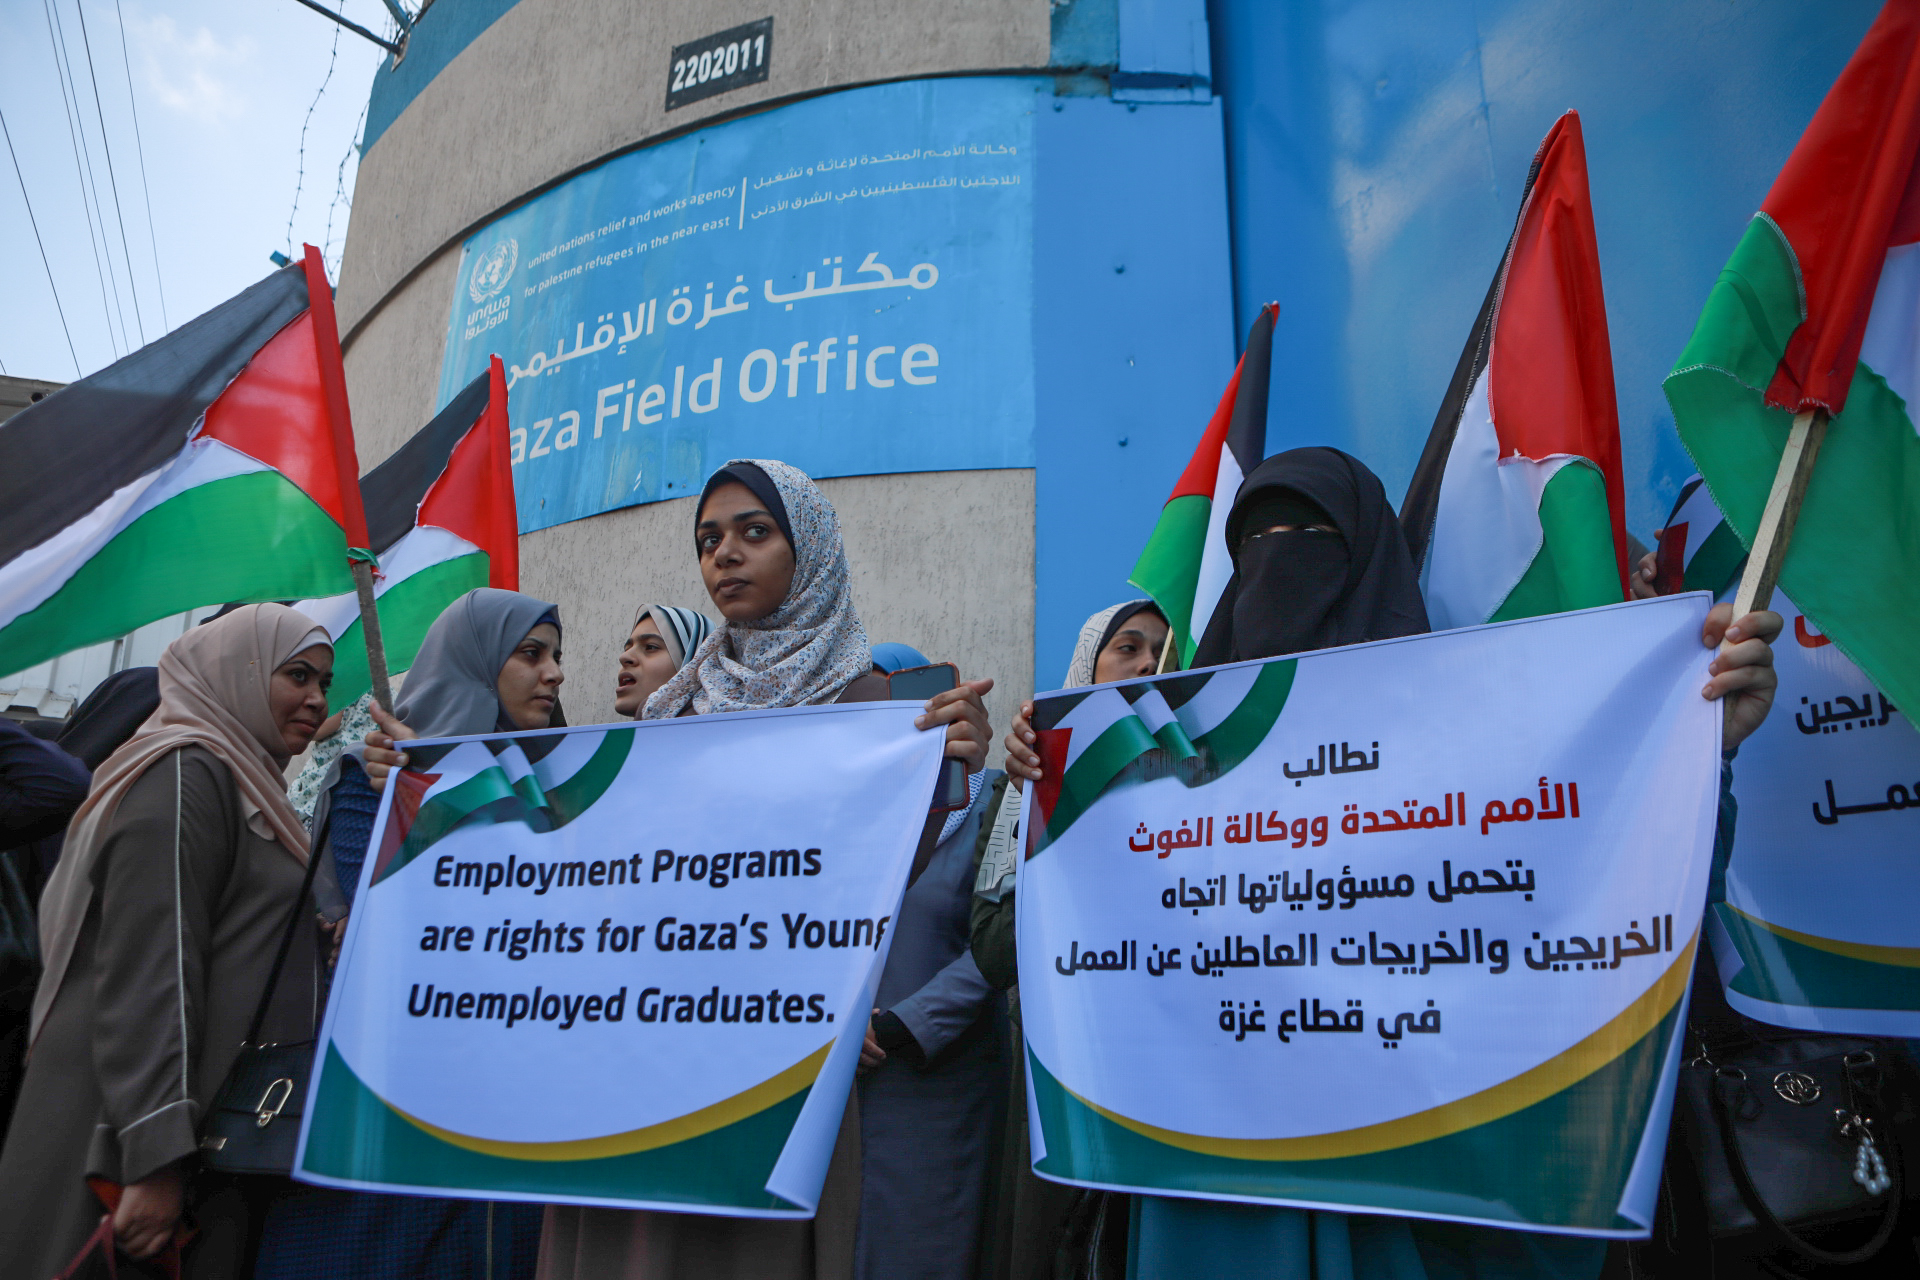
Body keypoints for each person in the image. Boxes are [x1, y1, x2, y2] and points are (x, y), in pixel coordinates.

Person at [1000, 447, 1782, 1280]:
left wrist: (1706, 750)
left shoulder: (1470, 736)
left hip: (1415, 1187)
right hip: (1212, 1181)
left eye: (1313, 539)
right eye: (1260, 542)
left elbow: (1613, 898)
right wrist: (1053, 796)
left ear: (1370, 557)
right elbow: (1091, 943)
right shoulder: (1177, 754)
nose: (1283, 564)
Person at [535, 458, 994, 1280]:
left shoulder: (875, 709)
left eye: (755, 532)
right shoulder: (674, 708)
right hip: (656, 1041)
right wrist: (419, 784)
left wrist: (944, 768)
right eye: (709, 539)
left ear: (809, 547)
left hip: (782, 1063)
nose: (726, 555)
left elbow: (874, 886)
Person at [0, 605, 334, 1278]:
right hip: (121, 1133)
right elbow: (153, 969)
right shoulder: (185, 772)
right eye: (297, 675)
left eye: (325, 682)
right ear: (236, 672)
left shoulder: (248, 785)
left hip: (193, 1125)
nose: (317, 699)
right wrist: (152, 1157)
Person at [254, 587, 563, 1280]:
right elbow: (391, 925)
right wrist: (424, 794)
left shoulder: (552, 791)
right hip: (390, 1096)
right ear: (475, 663)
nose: (555, 674)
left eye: (556, 656)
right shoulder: (376, 782)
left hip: (501, 1098)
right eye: (531, 655)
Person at [969, 601, 1171, 1280]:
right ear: (1088, 664)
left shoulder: (1207, 781)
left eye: (1163, 652)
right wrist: (1052, 808)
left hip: (1173, 1077)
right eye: (1128, 648)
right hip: (1060, 1077)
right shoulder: (1026, 784)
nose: (1148, 664)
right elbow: (994, 952)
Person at [847, 640, 1009, 1280]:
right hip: (833, 1074)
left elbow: (1000, 939)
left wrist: (900, 1025)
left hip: (931, 1078)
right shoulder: (844, 816)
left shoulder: (990, 800)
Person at [614, 604, 714, 717]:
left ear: (693, 663)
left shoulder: (715, 726)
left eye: (650, 647)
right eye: (627, 649)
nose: (624, 657)